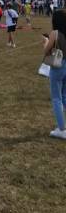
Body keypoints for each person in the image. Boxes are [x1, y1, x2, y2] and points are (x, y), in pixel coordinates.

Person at [43, 10, 66, 139]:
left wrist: (46, 41)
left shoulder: (55, 33)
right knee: (65, 96)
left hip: (58, 66)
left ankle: (62, 129)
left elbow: (46, 51)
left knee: (57, 98)